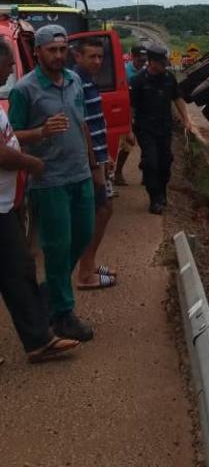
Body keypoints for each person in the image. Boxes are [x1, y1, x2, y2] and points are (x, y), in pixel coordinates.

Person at [9, 25, 96, 342]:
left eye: (62, 50)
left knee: (83, 235)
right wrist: (41, 133)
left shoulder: (74, 81)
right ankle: (62, 314)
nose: (59, 56)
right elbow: (12, 136)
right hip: (49, 181)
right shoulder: (24, 89)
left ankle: (49, 293)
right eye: (52, 50)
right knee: (57, 248)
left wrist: (96, 164)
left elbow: (82, 123)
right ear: (38, 52)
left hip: (80, 174)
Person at [0, 38, 80, 363]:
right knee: (19, 268)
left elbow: (10, 138)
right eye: (6, 66)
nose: (9, 73)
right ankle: (39, 339)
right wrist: (31, 163)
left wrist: (38, 136)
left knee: (18, 272)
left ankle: (38, 340)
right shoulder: (22, 90)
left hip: (5, 205)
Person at [74, 37, 117, 290]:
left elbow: (97, 122)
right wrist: (94, 165)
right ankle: (85, 272)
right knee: (100, 210)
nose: (97, 61)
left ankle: (89, 264)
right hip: (89, 162)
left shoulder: (89, 81)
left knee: (103, 210)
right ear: (77, 56)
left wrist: (106, 155)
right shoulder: (76, 83)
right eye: (92, 56)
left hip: (98, 158)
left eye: (100, 57)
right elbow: (82, 127)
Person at [129, 44, 192, 214]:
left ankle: (162, 192)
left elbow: (177, 98)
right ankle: (154, 199)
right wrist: (129, 129)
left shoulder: (169, 78)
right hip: (145, 128)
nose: (165, 64)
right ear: (152, 62)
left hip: (164, 127)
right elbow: (131, 108)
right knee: (151, 162)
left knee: (165, 162)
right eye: (161, 61)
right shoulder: (138, 81)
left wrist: (186, 119)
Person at [114, 45, 147, 186]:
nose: (141, 63)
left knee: (147, 147)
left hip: (143, 114)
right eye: (139, 60)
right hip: (127, 113)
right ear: (132, 56)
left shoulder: (146, 72)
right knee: (127, 145)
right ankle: (117, 173)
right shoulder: (124, 72)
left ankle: (147, 175)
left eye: (144, 60)